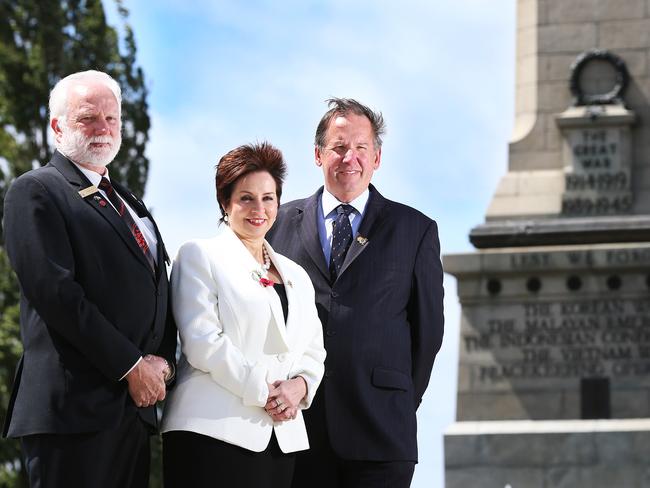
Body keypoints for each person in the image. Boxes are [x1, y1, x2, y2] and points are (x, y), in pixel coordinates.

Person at [1, 70, 177, 487]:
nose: (103, 129)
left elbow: (159, 291)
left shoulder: (132, 205)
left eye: (112, 118)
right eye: (88, 118)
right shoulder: (36, 190)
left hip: (132, 414)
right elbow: (57, 292)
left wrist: (163, 364)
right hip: (71, 414)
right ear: (57, 126)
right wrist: (131, 366)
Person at [267, 98, 445, 488]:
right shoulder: (276, 224)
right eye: (339, 147)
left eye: (361, 148)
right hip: (296, 428)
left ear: (377, 158)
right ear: (318, 154)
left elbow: (428, 334)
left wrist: (397, 397)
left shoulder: (415, 230)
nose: (351, 158)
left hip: (380, 429)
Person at [161, 142, 326, 488]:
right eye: (246, 198)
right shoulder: (198, 255)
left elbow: (314, 350)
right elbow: (203, 342)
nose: (259, 209)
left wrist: (300, 386)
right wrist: (263, 392)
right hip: (211, 433)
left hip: (281, 438)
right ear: (225, 202)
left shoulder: (297, 275)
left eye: (268, 198)